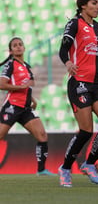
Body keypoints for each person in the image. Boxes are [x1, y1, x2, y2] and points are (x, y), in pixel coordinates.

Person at [58, 0, 98, 187]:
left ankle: (89, 164)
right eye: (94, 3)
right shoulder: (74, 24)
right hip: (79, 83)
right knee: (86, 131)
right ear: (83, 5)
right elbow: (63, 48)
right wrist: (67, 63)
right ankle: (65, 168)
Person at [0, 37, 55, 176]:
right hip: (12, 106)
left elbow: (26, 87)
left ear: (24, 48)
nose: (18, 47)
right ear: (11, 51)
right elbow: (2, 84)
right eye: (14, 45)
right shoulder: (10, 65)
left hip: (25, 108)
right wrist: (20, 87)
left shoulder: (27, 67)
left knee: (42, 135)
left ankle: (41, 170)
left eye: (20, 44)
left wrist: (32, 99)